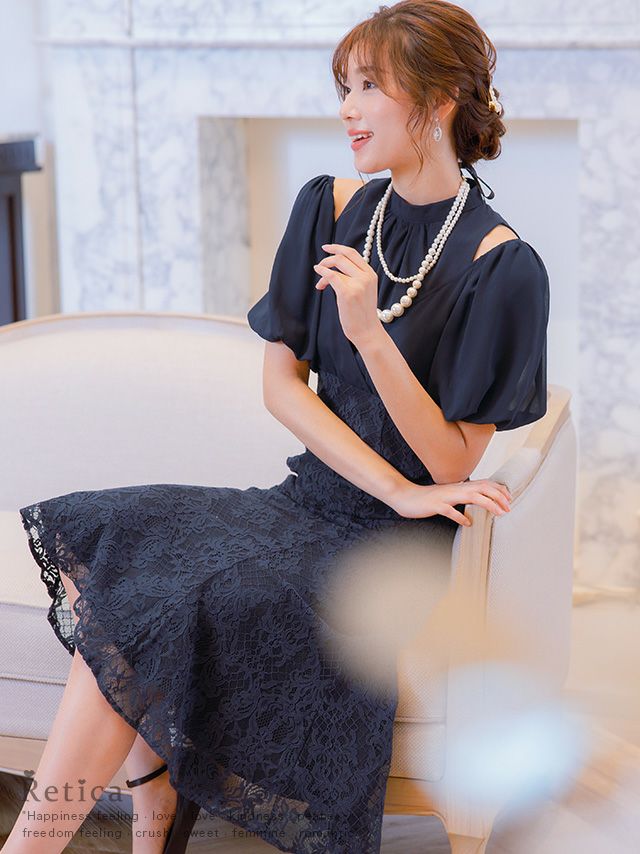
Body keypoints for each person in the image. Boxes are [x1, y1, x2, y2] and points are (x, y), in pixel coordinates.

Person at [5, 1, 549, 852]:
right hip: (302, 499)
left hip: (385, 543)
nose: (347, 109)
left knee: (167, 604)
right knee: (110, 539)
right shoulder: (329, 206)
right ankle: (145, 814)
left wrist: (369, 335)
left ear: (440, 100)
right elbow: (280, 387)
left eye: (368, 87)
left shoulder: (502, 265)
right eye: (343, 88)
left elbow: (452, 460)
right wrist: (395, 483)